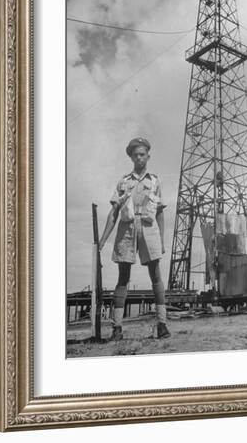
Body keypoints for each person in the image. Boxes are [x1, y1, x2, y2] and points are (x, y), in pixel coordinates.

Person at [98, 137, 171, 341]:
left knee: (156, 275)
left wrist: (162, 241)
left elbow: (160, 213)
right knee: (123, 277)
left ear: (148, 156)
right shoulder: (124, 182)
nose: (139, 158)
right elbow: (113, 213)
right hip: (127, 230)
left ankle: (162, 324)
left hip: (149, 229)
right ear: (131, 157)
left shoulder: (155, 181)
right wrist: (103, 240)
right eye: (135, 154)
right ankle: (117, 328)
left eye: (142, 154)